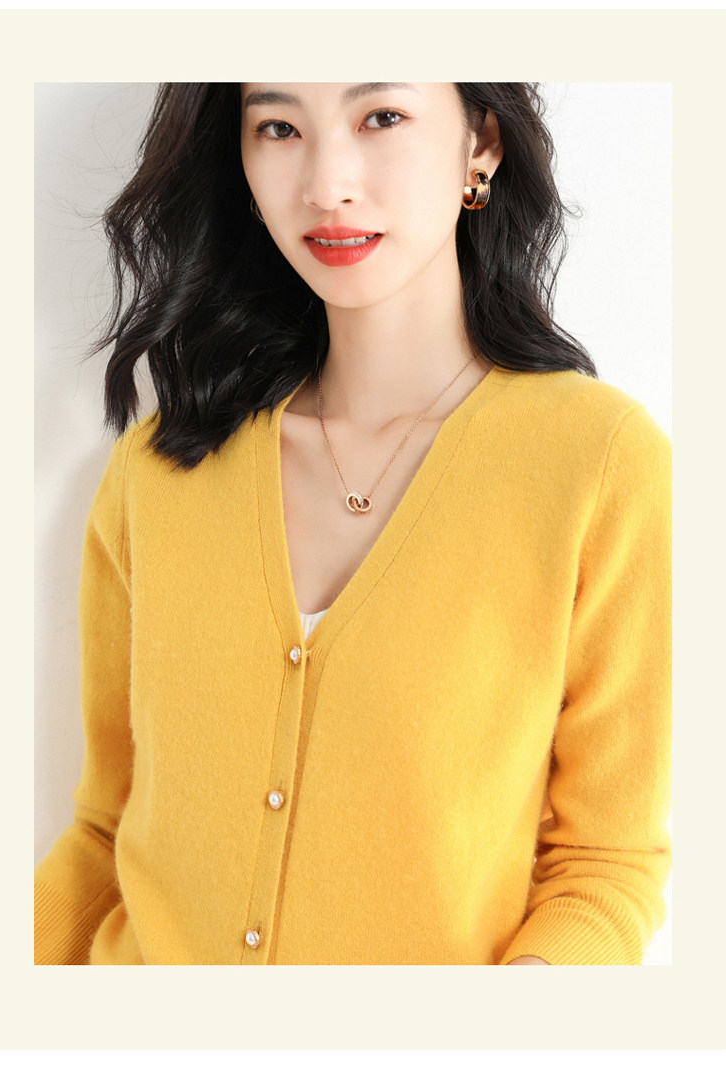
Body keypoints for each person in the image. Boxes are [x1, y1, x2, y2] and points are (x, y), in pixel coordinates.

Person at [34, 82, 671, 966]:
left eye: (382, 117)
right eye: (279, 127)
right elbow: (106, 836)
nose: (327, 184)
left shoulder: (598, 467)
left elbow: (605, 867)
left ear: (482, 145)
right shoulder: (158, 469)